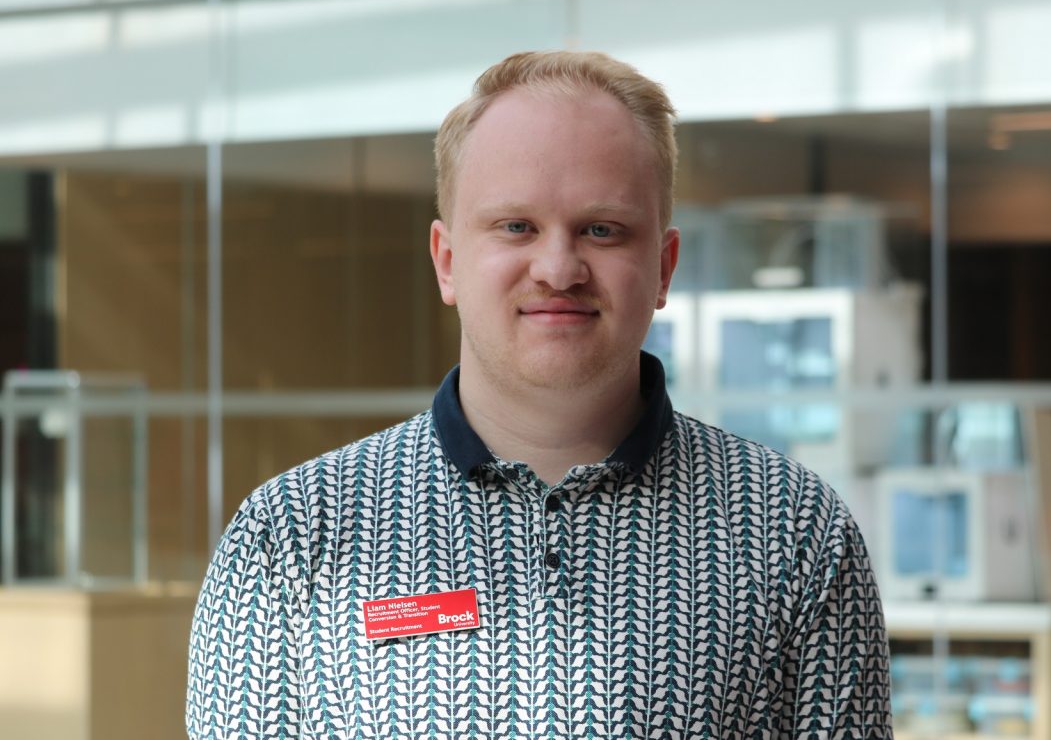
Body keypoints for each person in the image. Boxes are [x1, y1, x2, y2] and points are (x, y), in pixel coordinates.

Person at [187, 50, 892, 738]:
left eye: (602, 229)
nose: (559, 268)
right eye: (516, 226)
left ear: (664, 266)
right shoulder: (290, 537)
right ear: (448, 261)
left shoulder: (795, 531)